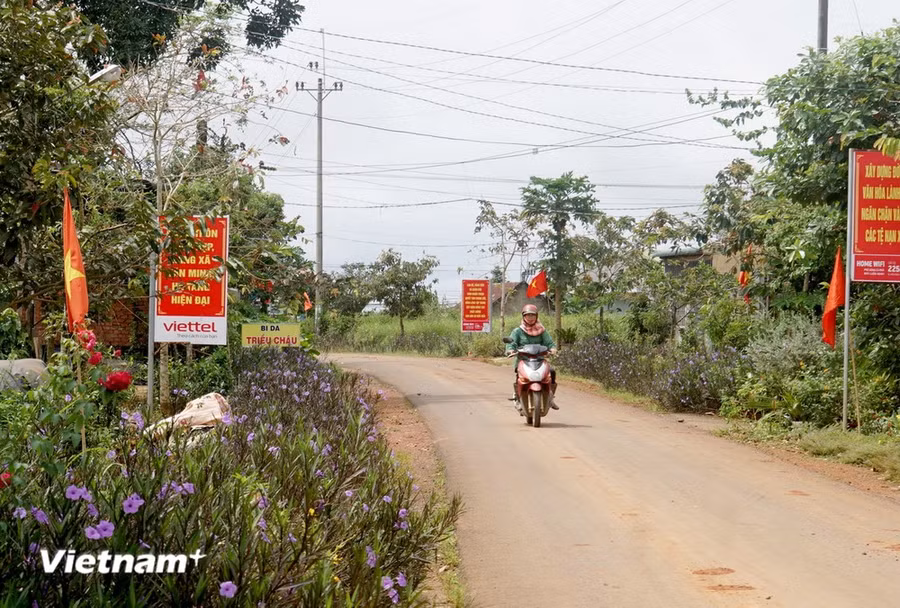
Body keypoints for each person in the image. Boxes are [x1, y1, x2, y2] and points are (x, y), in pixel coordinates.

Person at [505, 304, 559, 412]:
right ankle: (517, 398)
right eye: (528, 315)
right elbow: (511, 343)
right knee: (519, 376)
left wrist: (553, 349)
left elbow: (549, 343)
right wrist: (510, 350)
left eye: (533, 315)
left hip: (539, 360)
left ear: (536, 316)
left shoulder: (542, 330)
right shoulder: (518, 331)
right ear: (523, 316)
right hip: (523, 360)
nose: (530, 318)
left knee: (551, 372)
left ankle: (550, 397)